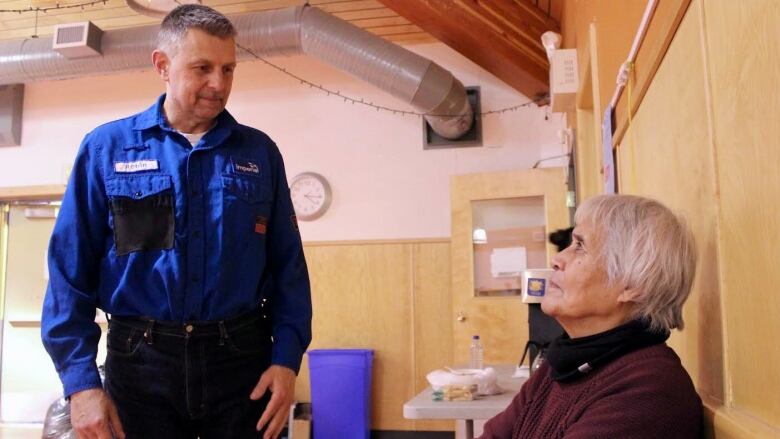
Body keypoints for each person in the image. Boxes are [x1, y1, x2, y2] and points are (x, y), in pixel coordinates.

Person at [41, 5, 312, 439]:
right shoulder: (106, 149)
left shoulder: (259, 154)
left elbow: (289, 269)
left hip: (242, 362)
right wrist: (81, 384)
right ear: (162, 66)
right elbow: (67, 274)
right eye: (202, 68)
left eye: (228, 69)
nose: (219, 83)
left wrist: (286, 360)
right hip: (140, 366)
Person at [480, 194, 702, 438]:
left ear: (631, 286)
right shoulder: (566, 362)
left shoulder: (647, 391)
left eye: (580, 246)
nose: (557, 259)